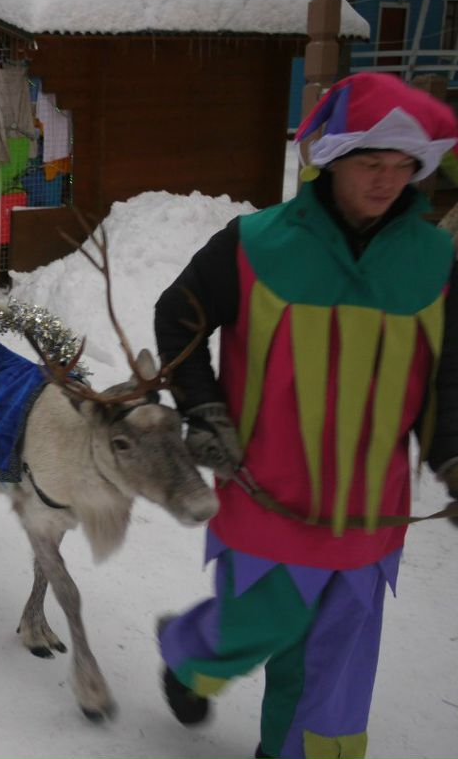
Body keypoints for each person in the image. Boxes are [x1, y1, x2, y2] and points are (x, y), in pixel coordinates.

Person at [153, 72, 458, 759]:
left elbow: (449, 378)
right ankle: (194, 657)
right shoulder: (254, 242)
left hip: (371, 512)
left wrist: (452, 458)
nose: (387, 181)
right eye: (371, 164)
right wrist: (203, 409)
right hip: (269, 492)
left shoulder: (436, 260)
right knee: (260, 623)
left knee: (338, 668)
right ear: (333, 159)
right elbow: (179, 319)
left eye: (402, 166)